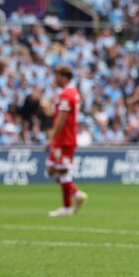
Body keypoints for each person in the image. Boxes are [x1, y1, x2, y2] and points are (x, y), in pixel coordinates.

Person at [46, 65, 88, 217]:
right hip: (64, 138)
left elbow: (62, 118)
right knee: (52, 169)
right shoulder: (72, 93)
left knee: (62, 171)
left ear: (64, 77)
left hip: (64, 139)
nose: (55, 79)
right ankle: (74, 196)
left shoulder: (67, 94)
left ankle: (69, 204)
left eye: (57, 76)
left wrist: (52, 138)